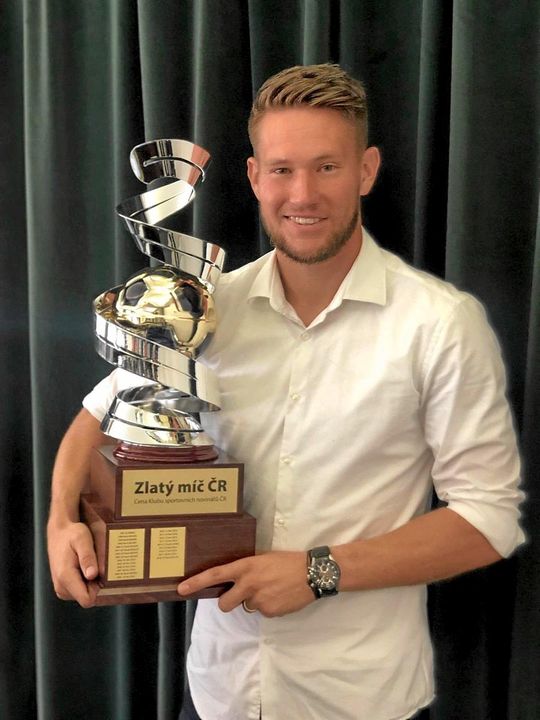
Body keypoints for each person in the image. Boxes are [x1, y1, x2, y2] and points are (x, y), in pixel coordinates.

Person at [48, 64, 525, 720]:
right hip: (217, 690)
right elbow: (98, 415)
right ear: (254, 177)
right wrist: (61, 521)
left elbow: (488, 519)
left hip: (358, 699)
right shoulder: (203, 308)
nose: (302, 194)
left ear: (366, 170)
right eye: (282, 169)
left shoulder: (439, 324)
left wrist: (317, 571)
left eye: (327, 167)